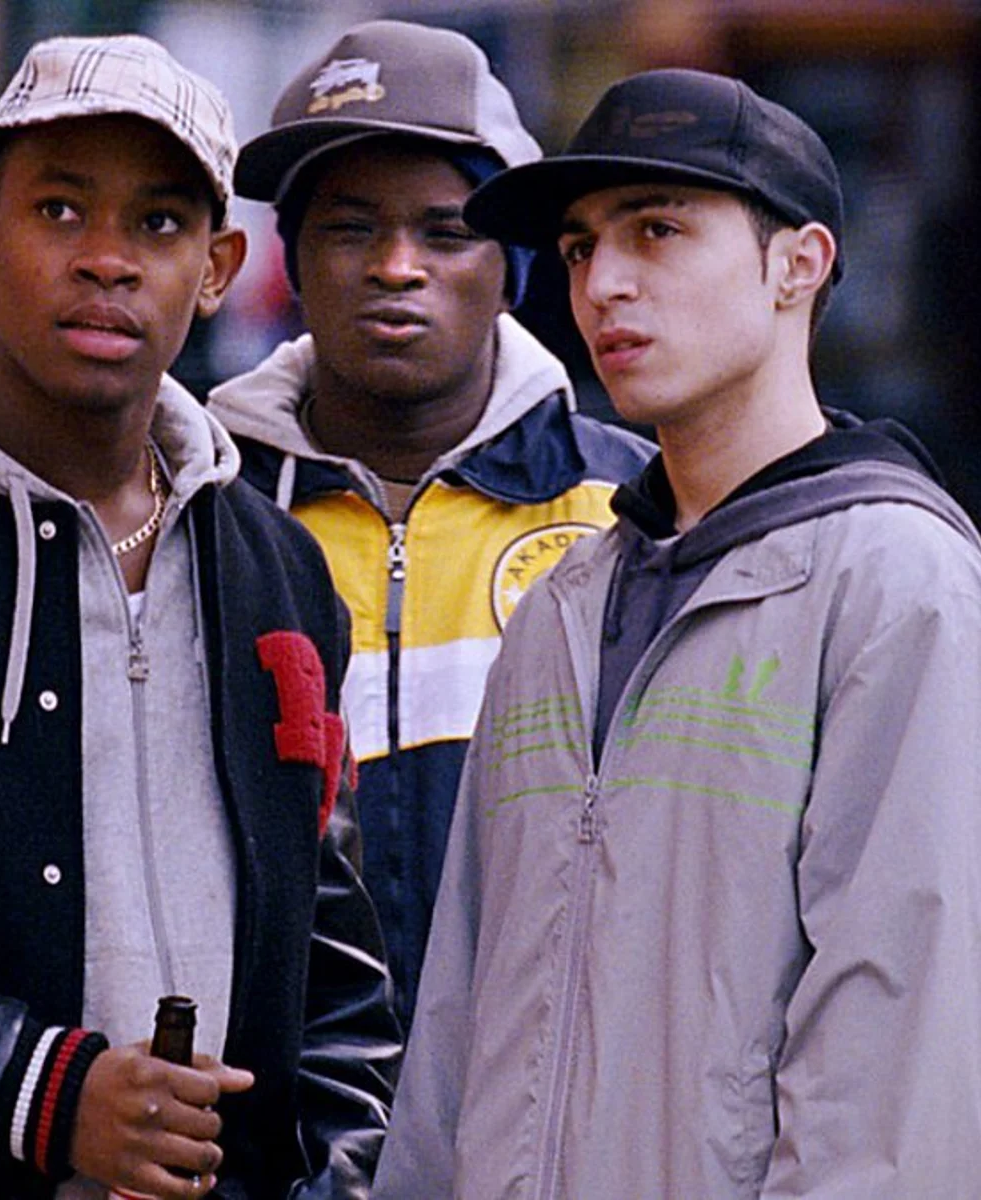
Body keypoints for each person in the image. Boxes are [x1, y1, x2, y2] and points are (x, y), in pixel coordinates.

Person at [0, 33, 401, 1200]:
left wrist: (337, 1180)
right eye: (59, 210)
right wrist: (42, 1097)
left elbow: (336, 978)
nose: (108, 260)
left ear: (217, 268)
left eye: (159, 224)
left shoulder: (277, 571)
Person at [373, 67, 981, 1198]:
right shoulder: (562, 606)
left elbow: (893, 1075)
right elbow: (456, 1031)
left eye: (657, 230)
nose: (604, 283)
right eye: (580, 248)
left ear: (799, 264)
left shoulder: (898, 587)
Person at [206, 20, 652, 1031]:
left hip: (550, 1093)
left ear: (513, 269)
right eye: (349, 228)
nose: (397, 266)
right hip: (280, 1107)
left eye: (446, 233)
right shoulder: (200, 512)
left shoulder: (634, 511)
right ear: (292, 260)